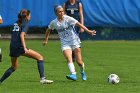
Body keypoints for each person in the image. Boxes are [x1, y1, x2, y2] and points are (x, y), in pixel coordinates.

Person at [43, 5, 96, 81]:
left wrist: (88, 31)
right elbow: (48, 30)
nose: (62, 13)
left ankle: (82, 71)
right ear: (56, 13)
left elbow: (78, 24)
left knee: (79, 62)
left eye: (62, 11)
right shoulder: (54, 22)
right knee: (69, 58)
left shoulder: (68, 19)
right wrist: (46, 40)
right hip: (65, 43)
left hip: (74, 41)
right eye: (60, 11)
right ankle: (73, 74)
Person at [0, 9, 53, 84]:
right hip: (20, 47)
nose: (30, 16)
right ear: (27, 16)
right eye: (30, 15)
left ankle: (0, 81)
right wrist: (24, 47)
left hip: (12, 46)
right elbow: (21, 35)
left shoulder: (16, 23)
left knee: (14, 67)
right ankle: (42, 79)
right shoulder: (25, 23)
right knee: (40, 57)